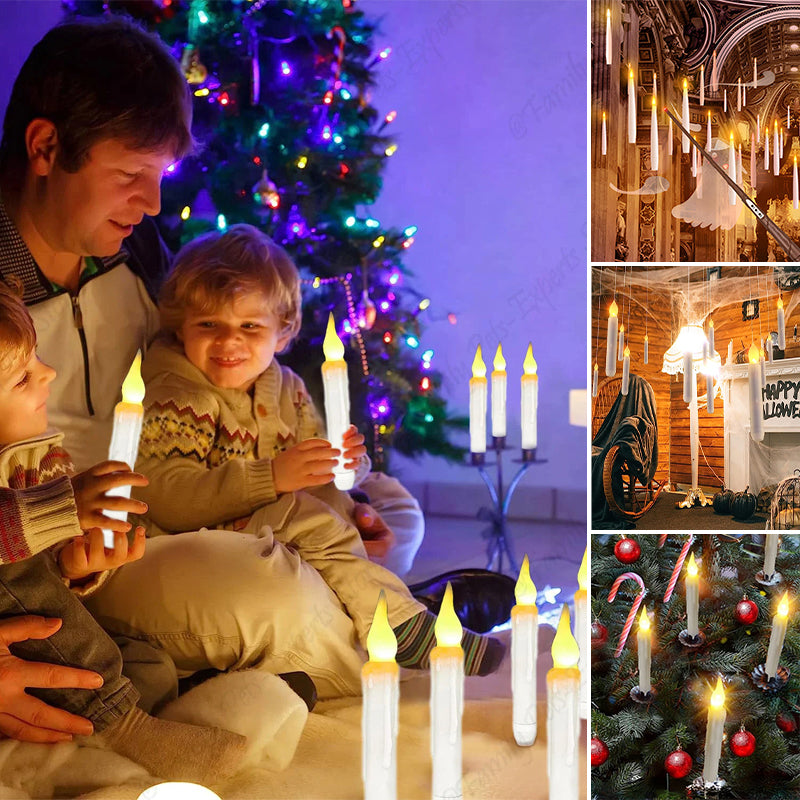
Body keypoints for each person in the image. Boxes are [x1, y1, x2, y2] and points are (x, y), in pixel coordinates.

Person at [0, 15, 366, 723]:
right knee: (274, 592)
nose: (154, 202)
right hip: (70, 546)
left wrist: (333, 496)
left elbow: (214, 380)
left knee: (372, 504)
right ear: (45, 148)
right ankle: (347, 653)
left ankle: (318, 625)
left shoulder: (134, 255)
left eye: (161, 176)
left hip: (186, 493)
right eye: (131, 175)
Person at [127, 224, 505, 675]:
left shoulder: (286, 385)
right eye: (208, 325)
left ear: (282, 333)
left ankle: (386, 606)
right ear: (180, 324)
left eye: (250, 326)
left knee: (355, 510)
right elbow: (165, 495)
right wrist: (273, 477)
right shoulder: (179, 391)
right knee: (311, 519)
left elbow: (316, 464)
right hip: (200, 540)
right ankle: (399, 622)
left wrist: (347, 468)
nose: (229, 341)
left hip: (276, 520)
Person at [0, 282, 247, 782]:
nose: (47, 373)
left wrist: (71, 565)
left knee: (148, 662)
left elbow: (38, 579)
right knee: (17, 573)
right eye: (23, 379)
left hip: (26, 647)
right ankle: (128, 727)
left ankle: (174, 704)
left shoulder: (37, 461)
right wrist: (62, 507)